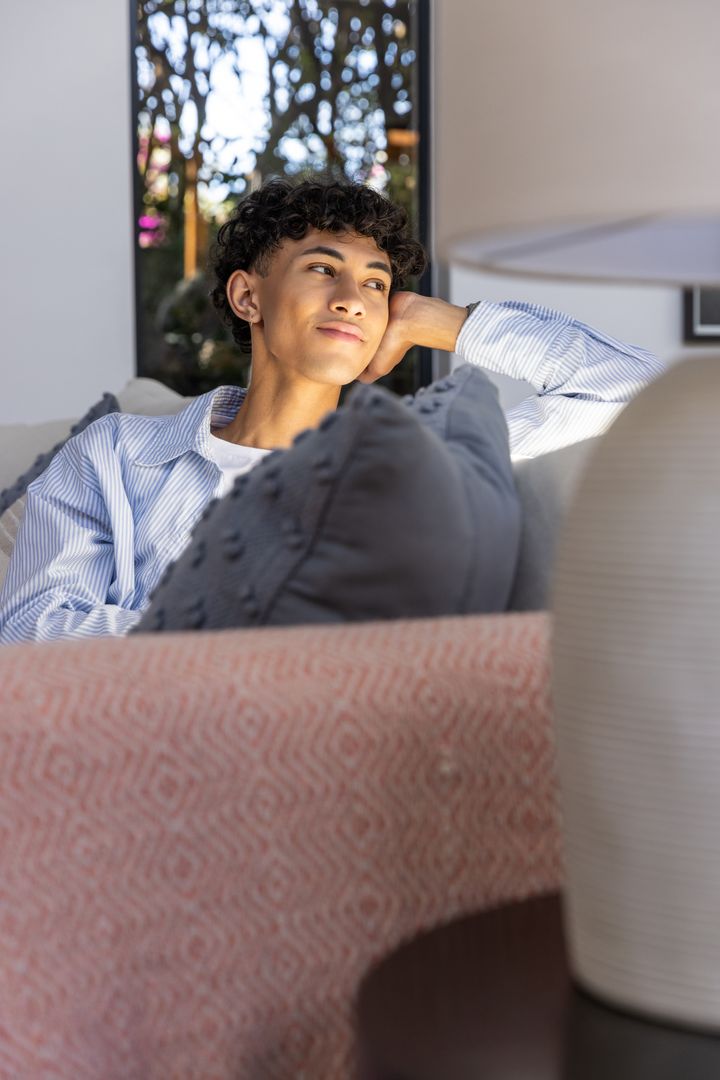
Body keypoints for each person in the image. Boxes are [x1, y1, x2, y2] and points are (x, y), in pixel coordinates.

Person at [0, 177, 664, 644]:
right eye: (323, 269)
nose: (354, 297)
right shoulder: (118, 454)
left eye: (375, 283)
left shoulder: (427, 457)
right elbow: (31, 630)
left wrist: (449, 322)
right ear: (248, 297)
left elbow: (635, 389)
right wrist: (264, 634)